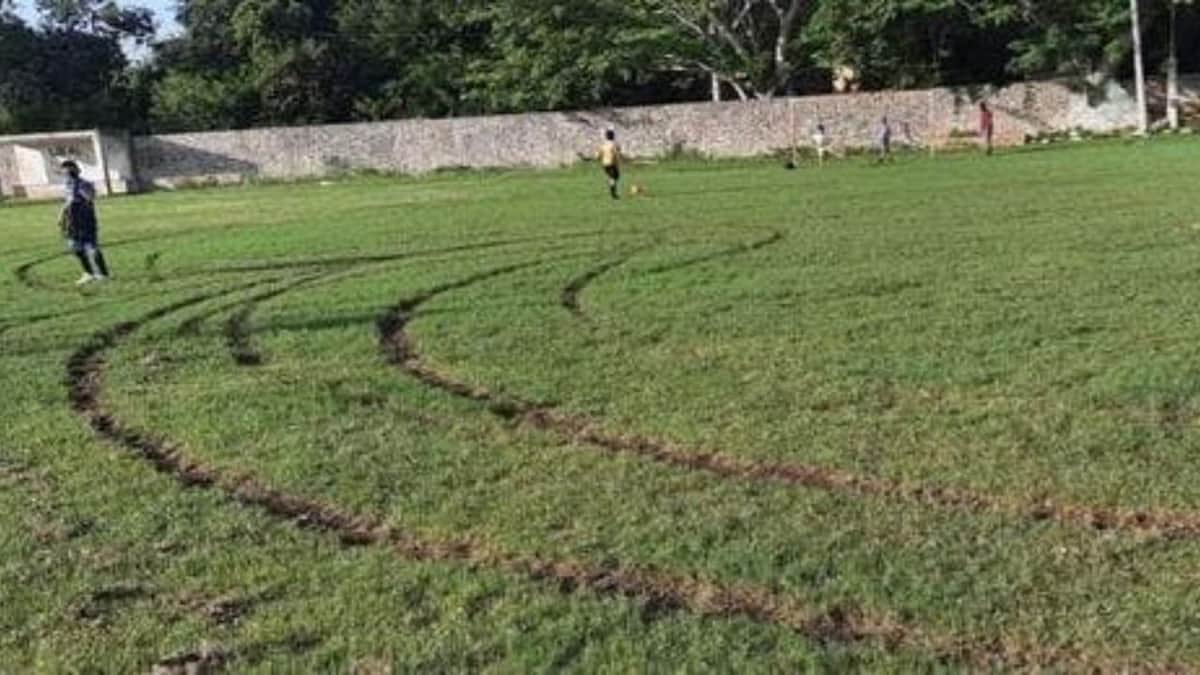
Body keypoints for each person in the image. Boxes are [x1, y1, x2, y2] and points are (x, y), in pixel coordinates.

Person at [58, 160, 110, 285]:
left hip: (85, 220)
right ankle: (88, 273)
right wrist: (61, 216)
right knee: (75, 248)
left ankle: (103, 274)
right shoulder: (67, 185)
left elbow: (90, 197)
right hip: (72, 222)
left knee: (92, 247)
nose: (68, 173)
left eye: (70, 170)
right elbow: (67, 202)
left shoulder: (84, 184)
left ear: (76, 170)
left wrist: (82, 192)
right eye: (65, 171)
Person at [597, 129, 622, 200]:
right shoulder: (614, 144)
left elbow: (599, 154)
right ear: (613, 136)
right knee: (614, 177)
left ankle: (612, 189)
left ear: (606, 136)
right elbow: (617, 152)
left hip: (605, 164)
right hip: (612, 163)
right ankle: (613, 194)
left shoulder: (603, 145)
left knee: (614, 177)